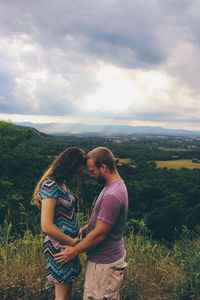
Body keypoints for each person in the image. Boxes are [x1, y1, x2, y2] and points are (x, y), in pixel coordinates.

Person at [55, 147, 128, 300]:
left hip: (104, 266)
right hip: (103, 262)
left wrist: (73, 251)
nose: (90, 175)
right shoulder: (113, 187)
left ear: (104, 167)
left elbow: (100, 234)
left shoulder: (112, 195)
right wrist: (86, 229)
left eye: (92, 171)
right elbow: (103, 224)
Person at [32, 146, 86, 300]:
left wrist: (78, 231)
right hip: (60, 247)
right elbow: (46, 226)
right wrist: (73, 243)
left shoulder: (62, 184)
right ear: (69, 167)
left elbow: (66, 215)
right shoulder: (50, 185)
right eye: (76, 172)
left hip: (68, 245)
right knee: (61, 296)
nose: (77, 176)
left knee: (66, 293)